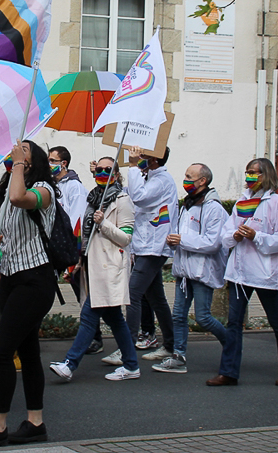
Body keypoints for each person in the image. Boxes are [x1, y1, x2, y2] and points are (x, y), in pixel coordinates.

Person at [0, 140, 58, 449]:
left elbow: (21, 197)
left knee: (2, 351)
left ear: (35, 161)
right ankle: (35, 422)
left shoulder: (45, 189)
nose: (15, 155)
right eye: (14, 153)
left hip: (35, 280)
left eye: (24, 152)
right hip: (9, 279)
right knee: (29, 352)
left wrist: (19, 163)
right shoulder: (2, 194)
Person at [210, 158, 278, 387]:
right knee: (234, 323)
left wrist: (256, 236)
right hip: (240, 273)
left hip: (263, 273)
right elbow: (226, 233)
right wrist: (236, 236)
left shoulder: (277, 203)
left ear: (265, 175)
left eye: (254, 172)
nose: (249, 176)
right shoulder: (242, 201)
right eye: (247, 172)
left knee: (276, 320)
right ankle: (228, 371)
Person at [49, 156, 138, 382]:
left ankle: (70, 364)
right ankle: (131, 365)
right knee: (116, 320)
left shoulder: (122, 200)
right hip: (93, 266)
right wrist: (79, 259)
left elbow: (126, 238)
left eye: (108, 170)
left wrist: (104, 223)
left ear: (116, 175)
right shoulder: (93, 198)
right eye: (98, 169)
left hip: (109, 267)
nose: (102, 173)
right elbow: (86, 236)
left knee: (89, 316)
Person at [102, 146, 177, 367]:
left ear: (155, 160)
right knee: (156, 298)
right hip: (146, 246)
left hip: (154, 246)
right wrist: (105, 173)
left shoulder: (162, 180)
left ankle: (127, 347)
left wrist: (133, 165)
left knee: (132, 294)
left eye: (144, 157)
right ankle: (170, 345)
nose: (140, 159)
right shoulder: (148, 177)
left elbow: (138, 197)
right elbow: (126, 193)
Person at [154, 163, 229, 375]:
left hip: (202, 272)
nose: (185, 180)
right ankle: (178, 356)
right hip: (184, 271)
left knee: (204, 317)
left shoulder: (213, 208)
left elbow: (213, 243)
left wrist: (182, 240)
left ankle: (231, 344)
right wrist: (173, 240)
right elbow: (182, 235)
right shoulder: (187, 205)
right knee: (178, 315)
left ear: (202, 181)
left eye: (189, 176)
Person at [49, 146, 99, 353]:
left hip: (71, 249)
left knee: (84, 294)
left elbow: (77, 219)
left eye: (52, 160)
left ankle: (94, 337)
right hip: (57, 248)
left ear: (64, 164)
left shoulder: (74, 187)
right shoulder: (53, 186)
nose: (49, 164)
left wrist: (76, 254)